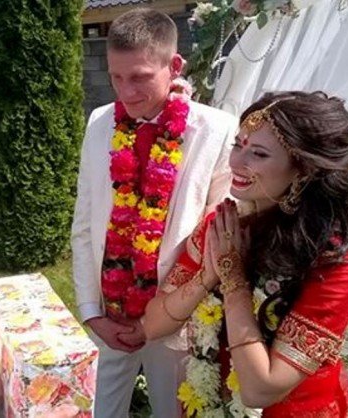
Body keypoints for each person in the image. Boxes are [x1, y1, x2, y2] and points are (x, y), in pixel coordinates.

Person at [141, 91, 348, 417]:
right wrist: (207, 277)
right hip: (209, 401)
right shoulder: (222, 227)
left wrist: (233, 280)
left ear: (303, 170)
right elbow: (153, 324)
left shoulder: (335, 263)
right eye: (238, 145)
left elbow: (260, 389)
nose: (235, 162)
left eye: (258, 153)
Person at [71, 8, 238, 417]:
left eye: (140, 77)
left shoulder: (218, 131)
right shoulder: (100, 122)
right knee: (99, 410)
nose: (126, 92)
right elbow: (85, 224)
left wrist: (160, 318)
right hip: (110, 311)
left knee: (172, 411)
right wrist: (91, 313)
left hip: (175, 320)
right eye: (116, 77)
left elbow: (215, 239)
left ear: (174, 66)